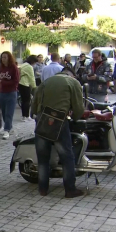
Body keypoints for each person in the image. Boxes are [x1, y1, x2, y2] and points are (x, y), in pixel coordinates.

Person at [31, 67, 85, 198]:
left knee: (43, 158)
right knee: (67, 156)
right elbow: (78, 107)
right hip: (59, 122)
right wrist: (77, 117)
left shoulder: (46, 82)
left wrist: (36, 115)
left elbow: (34, 104)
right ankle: (70, 189)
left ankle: (43, 189)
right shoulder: (73, 83)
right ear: (71, 75)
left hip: (42, 120)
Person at [0, 51, 19, 140]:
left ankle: (6, 130)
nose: (3, 59)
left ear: (9, 58)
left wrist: (3, 82)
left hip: (11, 92)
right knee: (3, 112)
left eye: (5, 57)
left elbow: (16, 81)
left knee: (9, 113)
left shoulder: (13, 68)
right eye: (2, 57)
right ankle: (9, 127)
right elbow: (0, 78)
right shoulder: (1, 67)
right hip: (2, 92)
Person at [19, 55, 37, 122]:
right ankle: (26, 116)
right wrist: (34, 87)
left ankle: (24, 116)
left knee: (23, 101)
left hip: (20, 83)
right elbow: (32, 78)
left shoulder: (23, 65)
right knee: (27, 101)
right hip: (25, 84)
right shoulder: (29, 67)